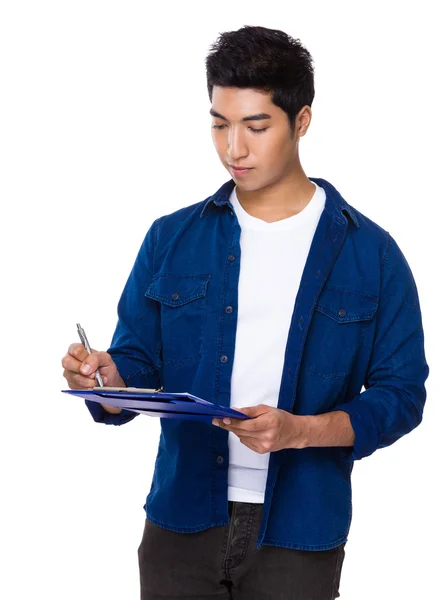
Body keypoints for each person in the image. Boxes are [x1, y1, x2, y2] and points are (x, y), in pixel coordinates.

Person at [61, 25, 429, 600]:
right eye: (219, 124)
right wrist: (104, 381)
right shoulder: (171, 238)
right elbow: (136, 360)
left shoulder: (372, 255)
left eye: (256, 126)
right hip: (180, 522)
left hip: (299, 532)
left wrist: (300, 431)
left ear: (301, 121)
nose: (234, 148)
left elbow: (402, 395)